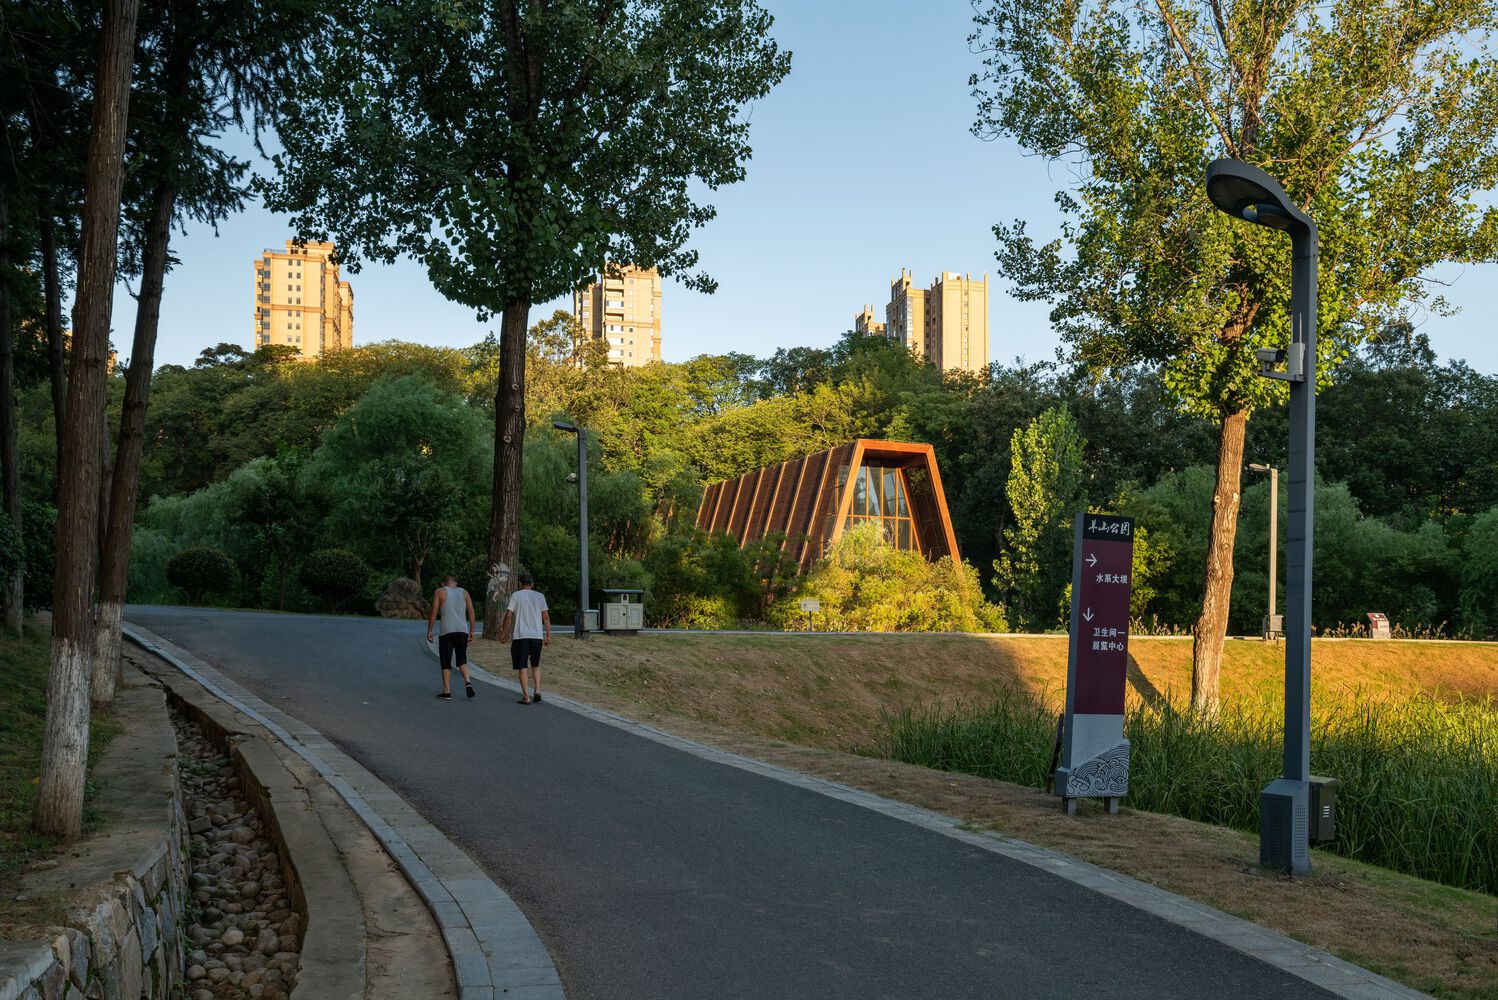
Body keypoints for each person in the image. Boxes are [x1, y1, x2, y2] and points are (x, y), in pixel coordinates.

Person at [501, 572, 550, 704]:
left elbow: (508, 615)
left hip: (521, 637)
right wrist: (548, 635)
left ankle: (526, 697)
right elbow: (545, 617)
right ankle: (537, 690)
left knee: (522, 666)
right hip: (537, 637)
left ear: (520, 584)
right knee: (536, 664)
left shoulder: (516, 595)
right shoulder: (540, 596)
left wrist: (504, 633)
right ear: (532, 584)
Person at [426, 574, 477, 700]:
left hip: (446, 631)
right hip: (462, 631)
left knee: (446, 661)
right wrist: (472, 631)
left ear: (443, 584)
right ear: (455, 583)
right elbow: (471, 612)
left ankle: (447, 691)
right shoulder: (464, 592)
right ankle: (468, 682)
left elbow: (434, 611)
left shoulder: (440, 591)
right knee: (462, 659)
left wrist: (430, 630)